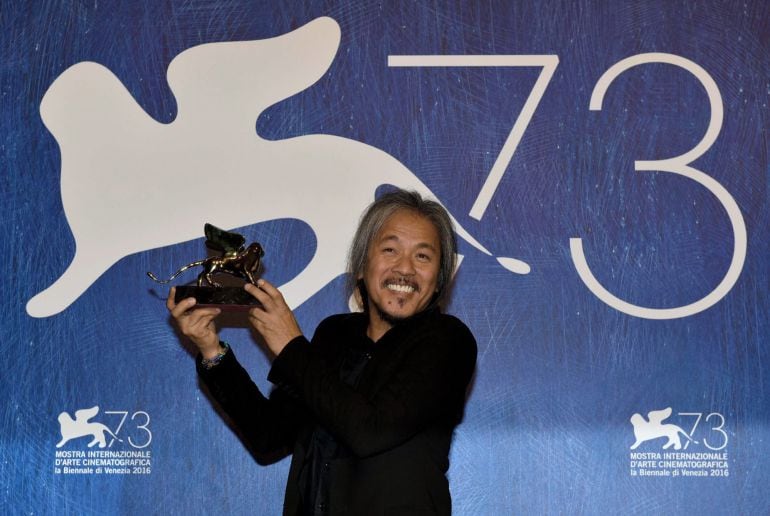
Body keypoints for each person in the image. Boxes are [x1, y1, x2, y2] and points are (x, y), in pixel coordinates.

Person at [168, 189, 477, 515]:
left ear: (440, 280)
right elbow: (269, 435)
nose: (405, 269)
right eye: (390, 250)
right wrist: (211, 351)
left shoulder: (448, 341)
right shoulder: (333, 335)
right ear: (361, 266)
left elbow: (370, 432)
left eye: (423, 257)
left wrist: (290, 346)